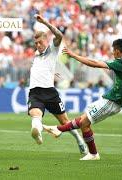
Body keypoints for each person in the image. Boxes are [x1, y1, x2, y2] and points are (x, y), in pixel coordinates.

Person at [43, 39, 122, 160]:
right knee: (84, 121)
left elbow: (94, 63)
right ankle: (92, 153)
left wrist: (74, 55)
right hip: (110, 98)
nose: (112, 52)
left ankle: (59, 129)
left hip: (113, 102)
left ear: (117, 50)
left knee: (84, 122)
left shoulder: (120, 63)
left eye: (113, 50)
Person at [28, 14, 87, 155]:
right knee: (35, 115)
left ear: (46, 41)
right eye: (35, 43)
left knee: (65, 121)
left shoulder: (52, 49)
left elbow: (59, 35)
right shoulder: (36, 54)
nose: (38, 45)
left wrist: (45, 23)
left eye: (40, 42)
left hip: (50, 92)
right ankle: (37, 133)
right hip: (35, 92)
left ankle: (79, 140)